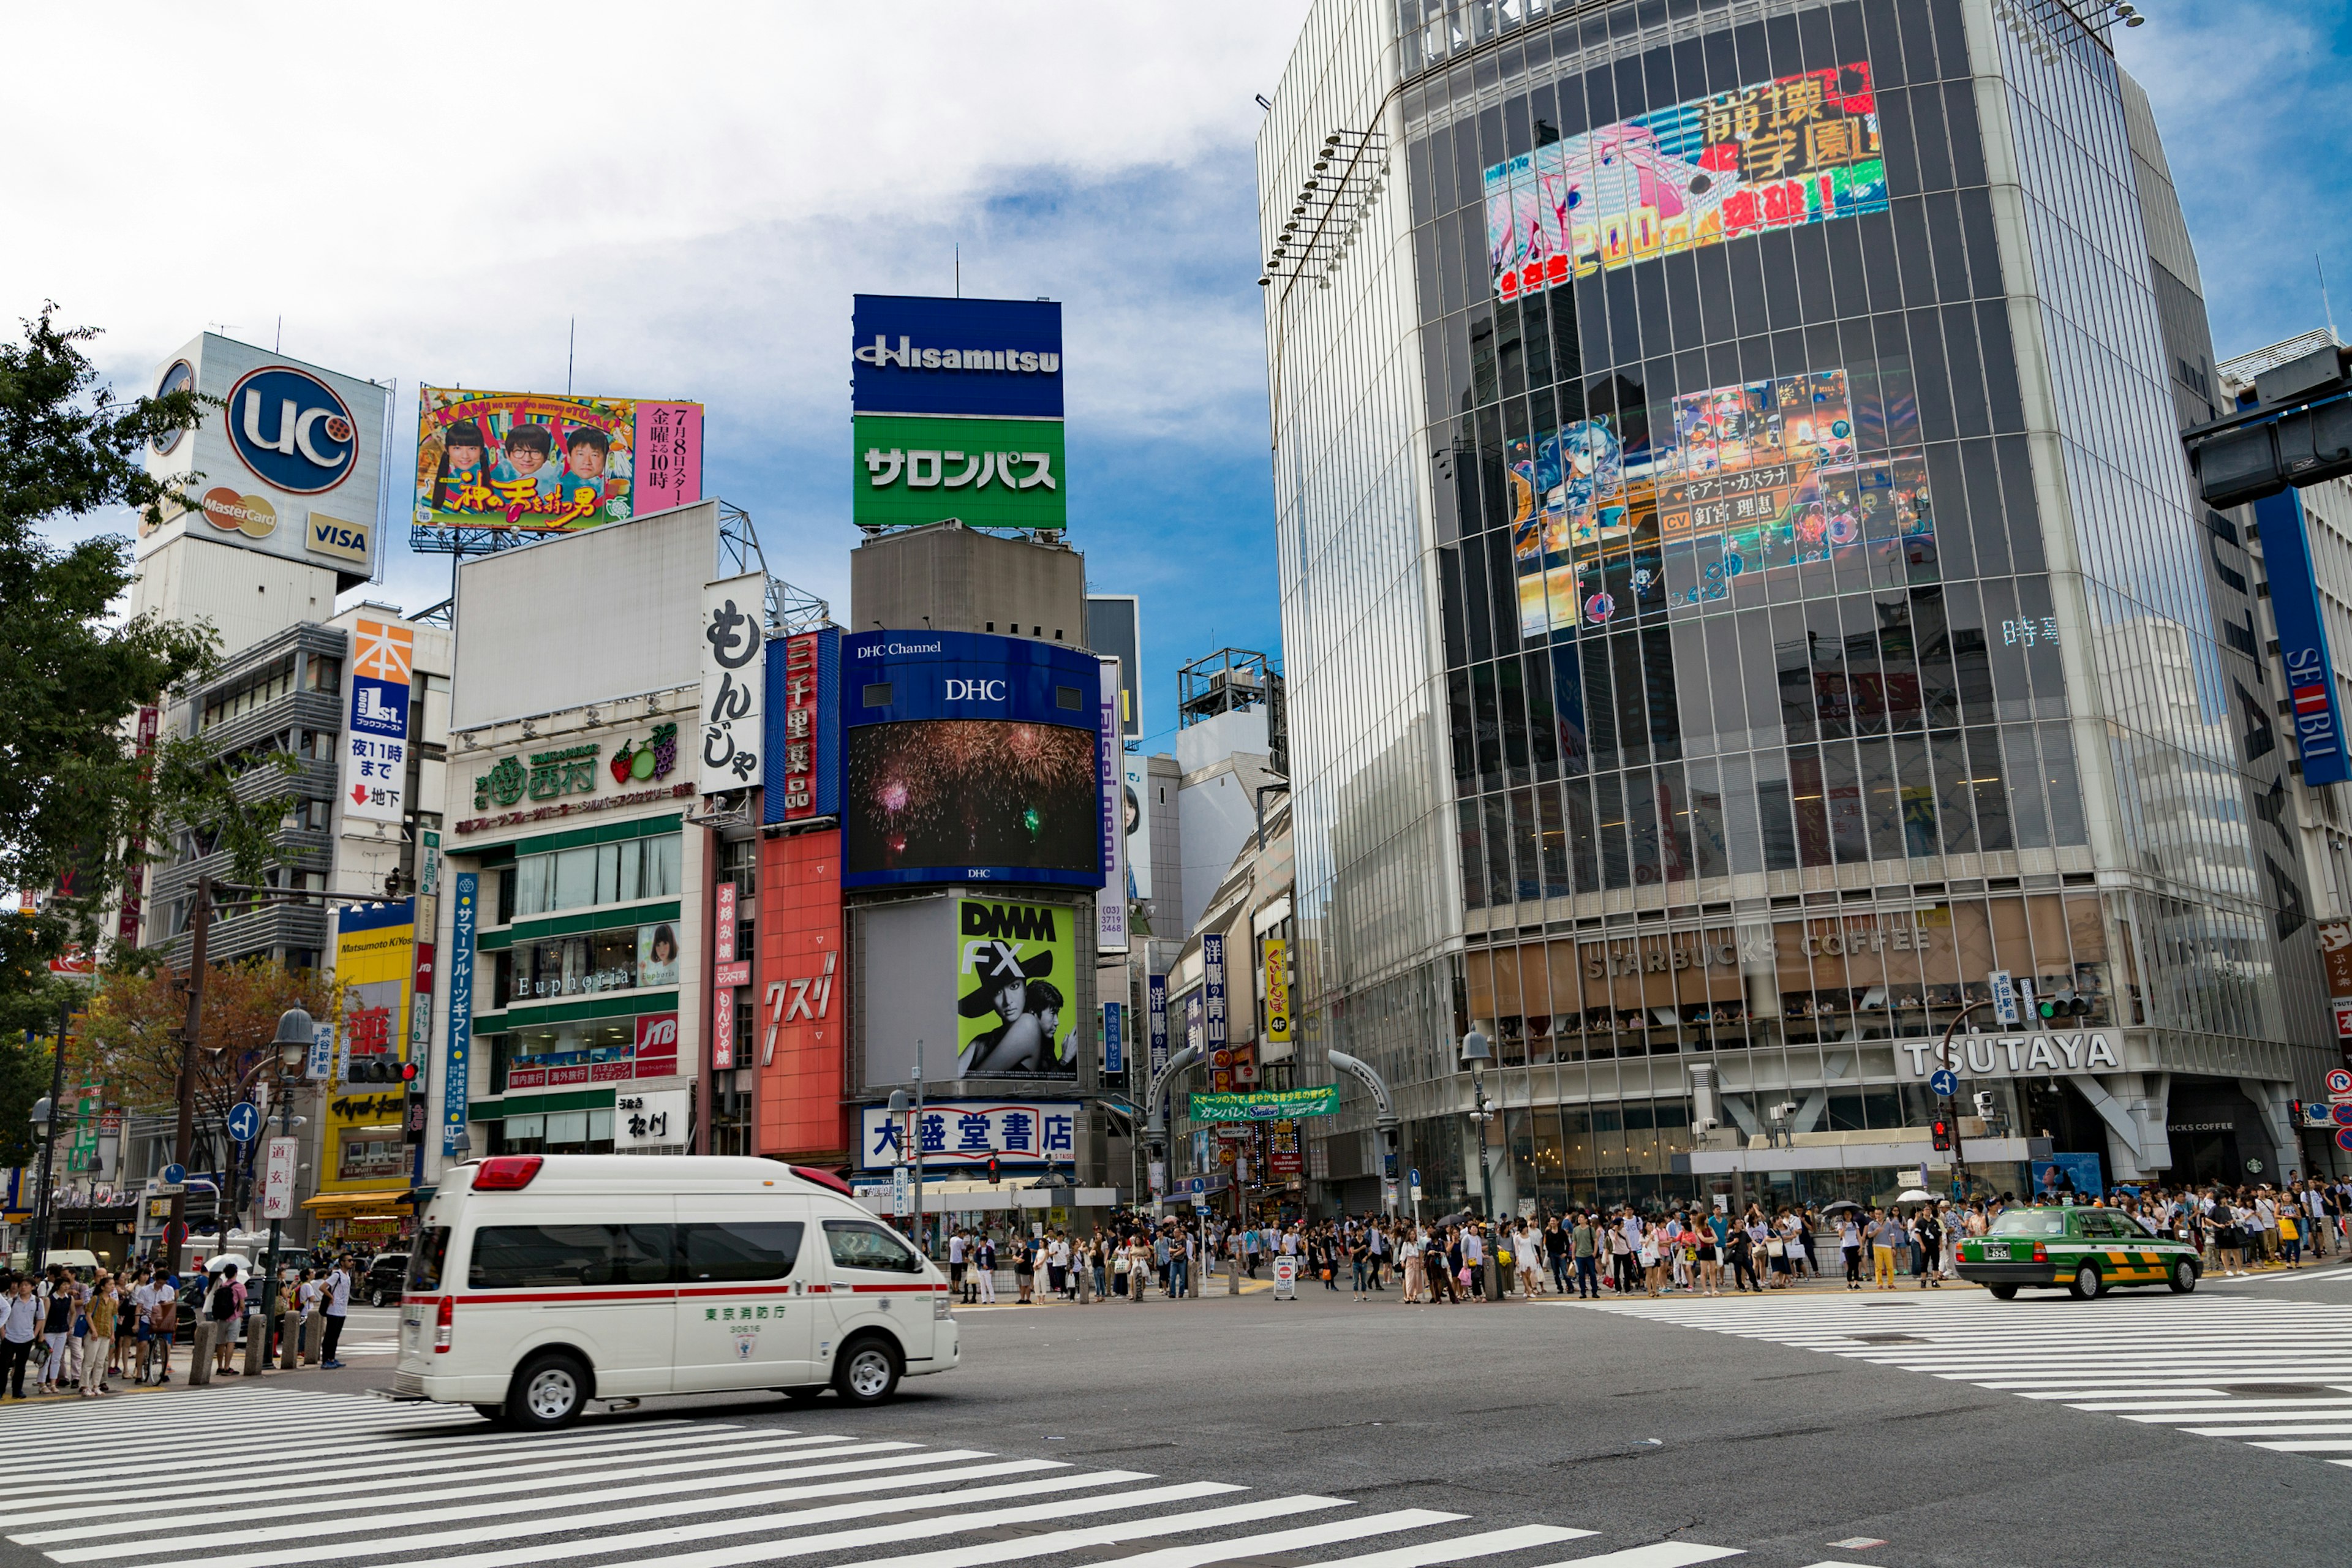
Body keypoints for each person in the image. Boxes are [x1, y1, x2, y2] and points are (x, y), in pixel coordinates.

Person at [1, 1278, 36, 1399]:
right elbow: (3, 1318)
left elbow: (41, 1319)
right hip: (10, 1338)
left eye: (26, 1285)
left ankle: (17, 1390)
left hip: (27, 1339)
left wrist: (35, 1335)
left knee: (21, 1367)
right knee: (4, 1366)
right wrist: (3, 1335)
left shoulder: (37, 1302)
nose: (22, 1287)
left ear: (32, 1287)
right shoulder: (11, 1302)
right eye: (21, 1285)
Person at [320, 1256, 351, 1368]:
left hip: (342, 1310)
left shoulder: (347, 1276)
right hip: (334, 1309)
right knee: (330, 1335)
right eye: (349, 1261)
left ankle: (332, 1358)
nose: (352, 1263)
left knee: (336, 1336)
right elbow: (323, 1287)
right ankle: (325, 1361)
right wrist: (331, 1297)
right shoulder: (337, 1275)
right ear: (342, 1263)